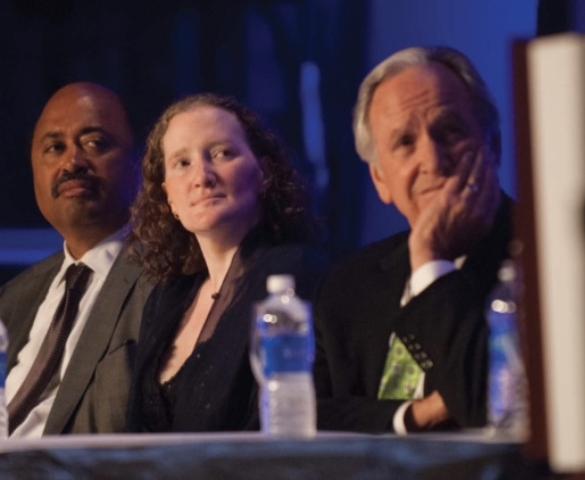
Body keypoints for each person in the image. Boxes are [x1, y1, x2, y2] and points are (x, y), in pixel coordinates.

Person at [313, 46, 512, 433]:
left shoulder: (547, 256)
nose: (433, 161)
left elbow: (488, 407)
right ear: (380, 180)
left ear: (494, 147)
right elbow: (304, 418)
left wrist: (431, 263)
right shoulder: (345, 288)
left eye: (450, 131)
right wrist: (416, 414)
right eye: (405, 142)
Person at [125, 93, 325, 433]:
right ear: (169, 197)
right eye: (182, 163)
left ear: (264, 173)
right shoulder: (167, 296)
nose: (202, 176)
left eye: (221, 154)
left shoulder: (296, 275)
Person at [0, 82, 152, 437]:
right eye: (55, 148)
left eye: (94, 143)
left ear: (141, 161)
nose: (72, 161)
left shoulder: (167, 277)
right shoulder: (15, 298)